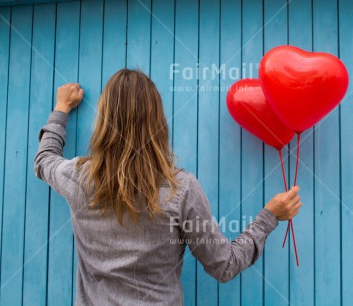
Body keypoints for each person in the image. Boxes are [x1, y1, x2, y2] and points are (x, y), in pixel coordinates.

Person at [34, 68, 302, 305]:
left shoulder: (77, 177)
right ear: (156, 122)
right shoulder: (180, 189)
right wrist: (269, 217)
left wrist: (61, 109)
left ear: (104, 120)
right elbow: (225, 265)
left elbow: (44, 160)